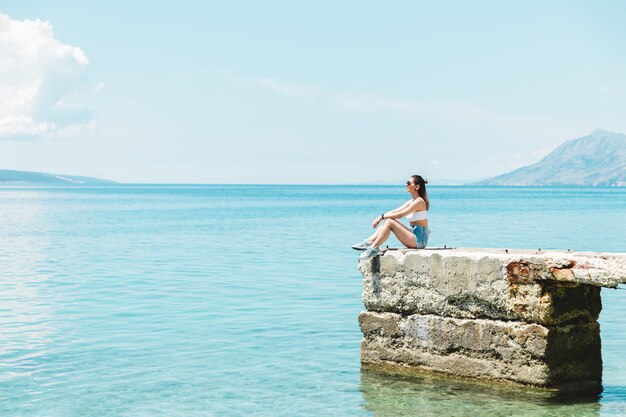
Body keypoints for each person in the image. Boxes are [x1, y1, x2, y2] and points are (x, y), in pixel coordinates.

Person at [353, 175, 430, 260]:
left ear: (417, 187)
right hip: (414, 235)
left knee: (389, 222)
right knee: (388, 220)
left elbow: (400, 215)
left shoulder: (419, 201)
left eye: (409, 183)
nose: (406, 185)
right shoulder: (412, 202)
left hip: (419, 240)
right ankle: (369, 242)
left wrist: (382, 217)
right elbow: (395, 211)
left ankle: (373, 247)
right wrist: (380, 218)